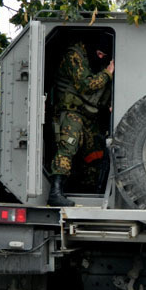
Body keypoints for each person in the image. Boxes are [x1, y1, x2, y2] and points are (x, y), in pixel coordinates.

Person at [48, 34, 114, 206]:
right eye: (98, 53)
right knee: (68, 147)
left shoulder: (94, 59)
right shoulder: (74, 56)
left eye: (103, 56)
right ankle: (55, 193)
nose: (100, 57)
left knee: (97, 151)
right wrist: (108, 73)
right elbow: (86, 85)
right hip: (70, 112)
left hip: (87, 115)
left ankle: (89, 189)